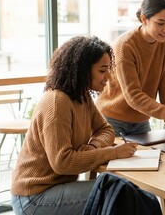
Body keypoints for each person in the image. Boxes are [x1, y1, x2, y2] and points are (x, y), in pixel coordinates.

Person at [10, 36, 138, 214]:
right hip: (33, 197)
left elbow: (105, 129)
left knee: (124, 190)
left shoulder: (81, 96)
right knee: (118, 192)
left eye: (108, 69)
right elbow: (62, 163)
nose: (108, 76)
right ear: (83, 71)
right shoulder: (57, 103)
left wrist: (93, 147)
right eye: (102, 70)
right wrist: (113, 152)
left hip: (57, 188)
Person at [96, 0, 165, 137]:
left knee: (151, 159)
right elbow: (133, 95)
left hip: (141, 120)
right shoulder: (125, 46)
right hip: (111, 120)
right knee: (116, 160)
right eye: (160, 23)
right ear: (144, 19)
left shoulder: (164, 41)